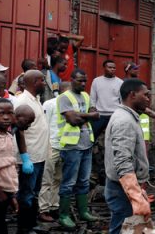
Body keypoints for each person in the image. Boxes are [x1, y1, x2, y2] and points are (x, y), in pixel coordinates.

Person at [104, 79, 151, 234]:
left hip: (124, 188)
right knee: (121, 229)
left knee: (127, 228)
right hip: (121, 190)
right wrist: (136, 195)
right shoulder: (124, 121)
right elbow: (123, 161)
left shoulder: (128, 116)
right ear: (132, 95)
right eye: (145, 95)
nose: (148, 99)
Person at [56, 69, 98, 229]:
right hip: (71, 145)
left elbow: (96, 114)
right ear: (72, 79)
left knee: (84, 181)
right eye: (80, 80)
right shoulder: (64, 98)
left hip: (87, 143)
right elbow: (72, 120)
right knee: (68, 182)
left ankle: (83, 211)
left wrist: (84, 115)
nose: (83, 83)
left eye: (85, 81)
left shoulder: (86, 96)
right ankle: (64, 215)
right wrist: (88, 116)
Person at [14, 70, 49, 233]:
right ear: (35, 82)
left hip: (39, 156)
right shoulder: (22, 101)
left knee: (34, 192)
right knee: (26, 194)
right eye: (42, 80)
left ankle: (32, 223)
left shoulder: (36, 99)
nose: (45, 83)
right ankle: (24, 227)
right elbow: (18, 130)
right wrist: (25, 157)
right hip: (29, 157)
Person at [38, 81, 71, 223]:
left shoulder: (71, 104)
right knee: (47, 179)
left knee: (58, 179)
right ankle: (43, 209)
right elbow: (44, 125)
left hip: (65, 146)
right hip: (51, 145)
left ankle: (54, 206)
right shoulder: (50, 104)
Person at [0, 98, 19, 233]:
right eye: (1, 113)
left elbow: (8, 166)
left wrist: (11, 196)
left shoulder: (8, 135)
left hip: (5, 191)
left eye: (10, 113)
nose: (6, 117)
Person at [90, 60, 123, 139]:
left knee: (115, 138)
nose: (112, 69)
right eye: (110, 67)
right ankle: (90, 151)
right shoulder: (96, 81)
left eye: (114, 68)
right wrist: (92, 108)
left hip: (114, 115)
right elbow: (93, 97)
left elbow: (122, 100)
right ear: (104, 68)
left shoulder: (120, 82)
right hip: (99, 115)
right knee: (92, 137)